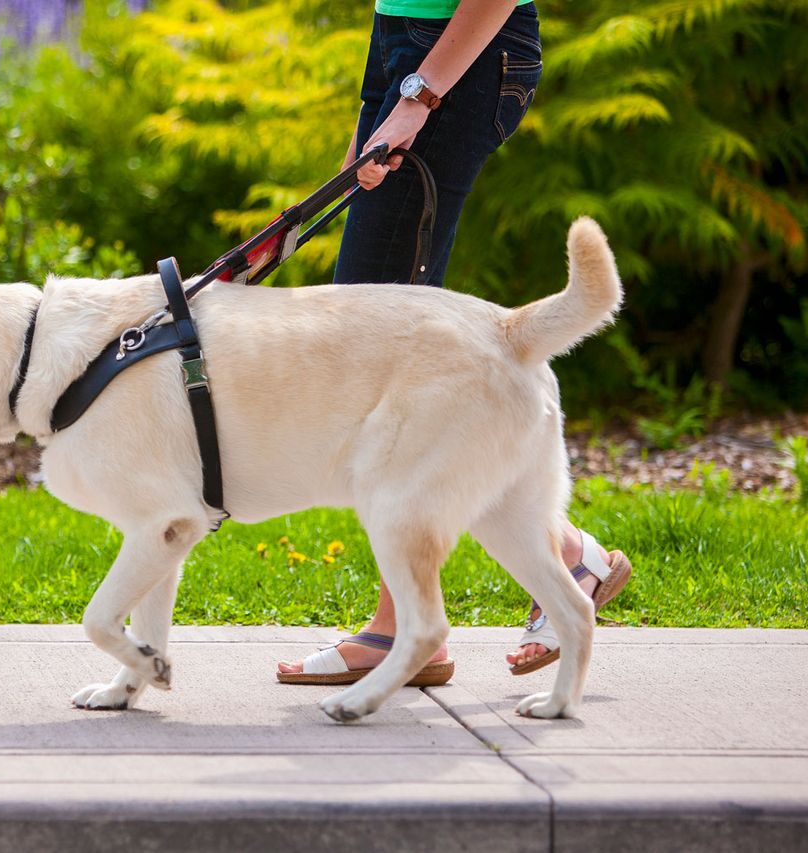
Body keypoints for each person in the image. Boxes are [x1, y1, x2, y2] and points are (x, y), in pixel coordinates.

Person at [276, 0, 633, 685]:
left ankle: (405, 629)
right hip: (407, 45)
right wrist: (381, 102)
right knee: (373, 347)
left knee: (385, 359)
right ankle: (565, 557)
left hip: (458, 51)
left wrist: (421, 93)